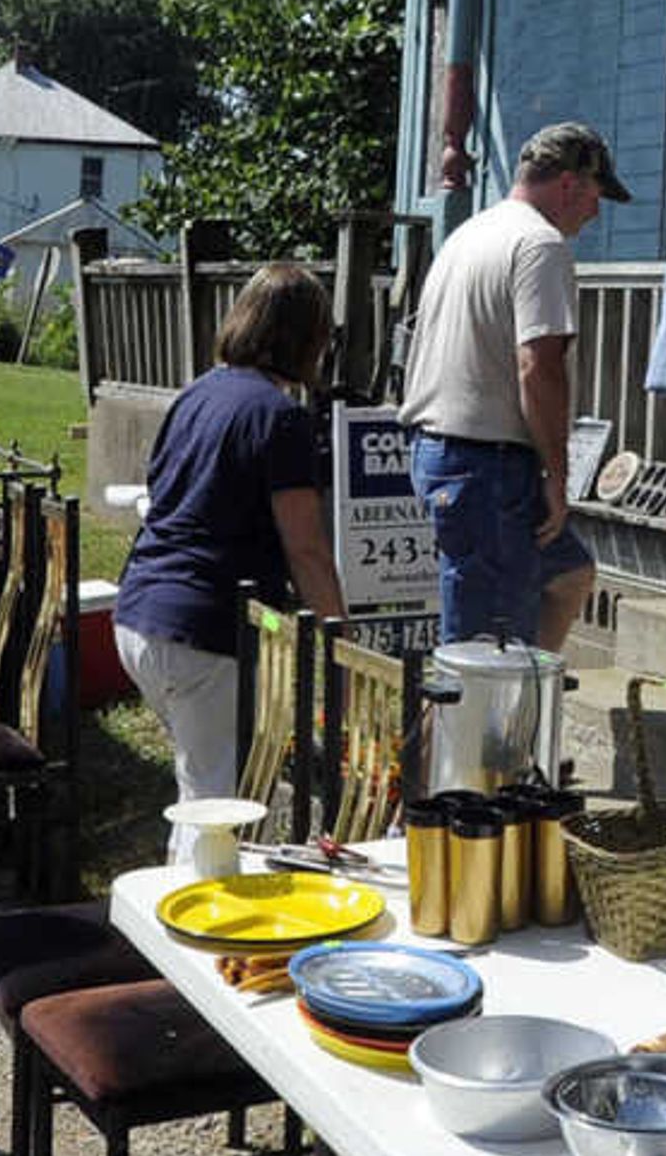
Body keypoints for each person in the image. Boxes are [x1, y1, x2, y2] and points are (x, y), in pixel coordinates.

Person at [112, 260, 348, 805]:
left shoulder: (196, 394)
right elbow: (306, 549)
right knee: (217, 808)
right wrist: (341, 638)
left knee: (208, 786)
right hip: (204, 631)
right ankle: (199, 887)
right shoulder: (280, 418)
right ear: (308, 339)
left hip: (139, 614)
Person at [401, 121, 629, 648]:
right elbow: (539, 367)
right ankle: (476, 728)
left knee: (570, 577)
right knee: (483, 655)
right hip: (487, 466)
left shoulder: (472, 233)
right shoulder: (540, 245)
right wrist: (557, 473)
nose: (596, 211)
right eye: (596, 195)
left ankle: (528, 710)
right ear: (570, 184)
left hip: (442, 454)